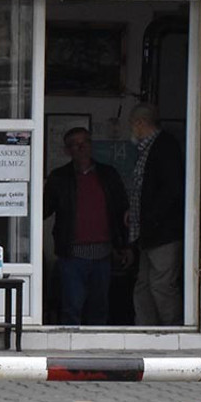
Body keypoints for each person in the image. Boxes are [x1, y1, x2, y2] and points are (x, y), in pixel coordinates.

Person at [43, 127, 129, 325]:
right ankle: (68, 352)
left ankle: (97, 352)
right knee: (72, 309)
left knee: (99, 310)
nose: (81, 148)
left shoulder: (108, 175)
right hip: (71, 256)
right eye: (75, 144)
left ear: (91, 145)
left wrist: (125, 247)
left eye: (85, 143)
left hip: (103, 255)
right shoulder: (59, 178)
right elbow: (43, 210)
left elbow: (122, 212)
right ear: (67, 150)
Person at [126, 103, 185, 326]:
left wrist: (149, 218)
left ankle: (172, 330)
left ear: (140, 123)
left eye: (132, 124)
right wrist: (133, 212)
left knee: (161, 284)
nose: (131, 129)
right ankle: (145, 328)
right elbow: (145, 189)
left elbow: (171, 191)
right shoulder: (148, 148)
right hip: (149, 233)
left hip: (163, 233)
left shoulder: (164, 147)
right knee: (144, 284)